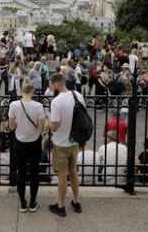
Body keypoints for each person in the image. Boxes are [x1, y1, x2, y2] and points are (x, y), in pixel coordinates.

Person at [46, 72, 85, 217]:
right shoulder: (78, 95)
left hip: (61, 143)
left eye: (50, 84)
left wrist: (48, 116)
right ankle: (76, 200)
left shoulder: (56, 102)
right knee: (73, 171)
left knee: (62, 175)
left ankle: (61, 206)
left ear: (55, 84)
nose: (50, 87)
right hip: (74, 141)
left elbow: (54, 126)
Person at [8, 79, 47, 212]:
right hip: (34, 142)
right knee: (34, 173)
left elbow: (11, 127)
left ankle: (23, 203)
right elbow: (42, 129)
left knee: (21, 173)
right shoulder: (38, 106)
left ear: (21, 91)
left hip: (20, 142)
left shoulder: (14, 105)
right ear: (32, 91)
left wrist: (19, 121)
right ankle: (33, 202)